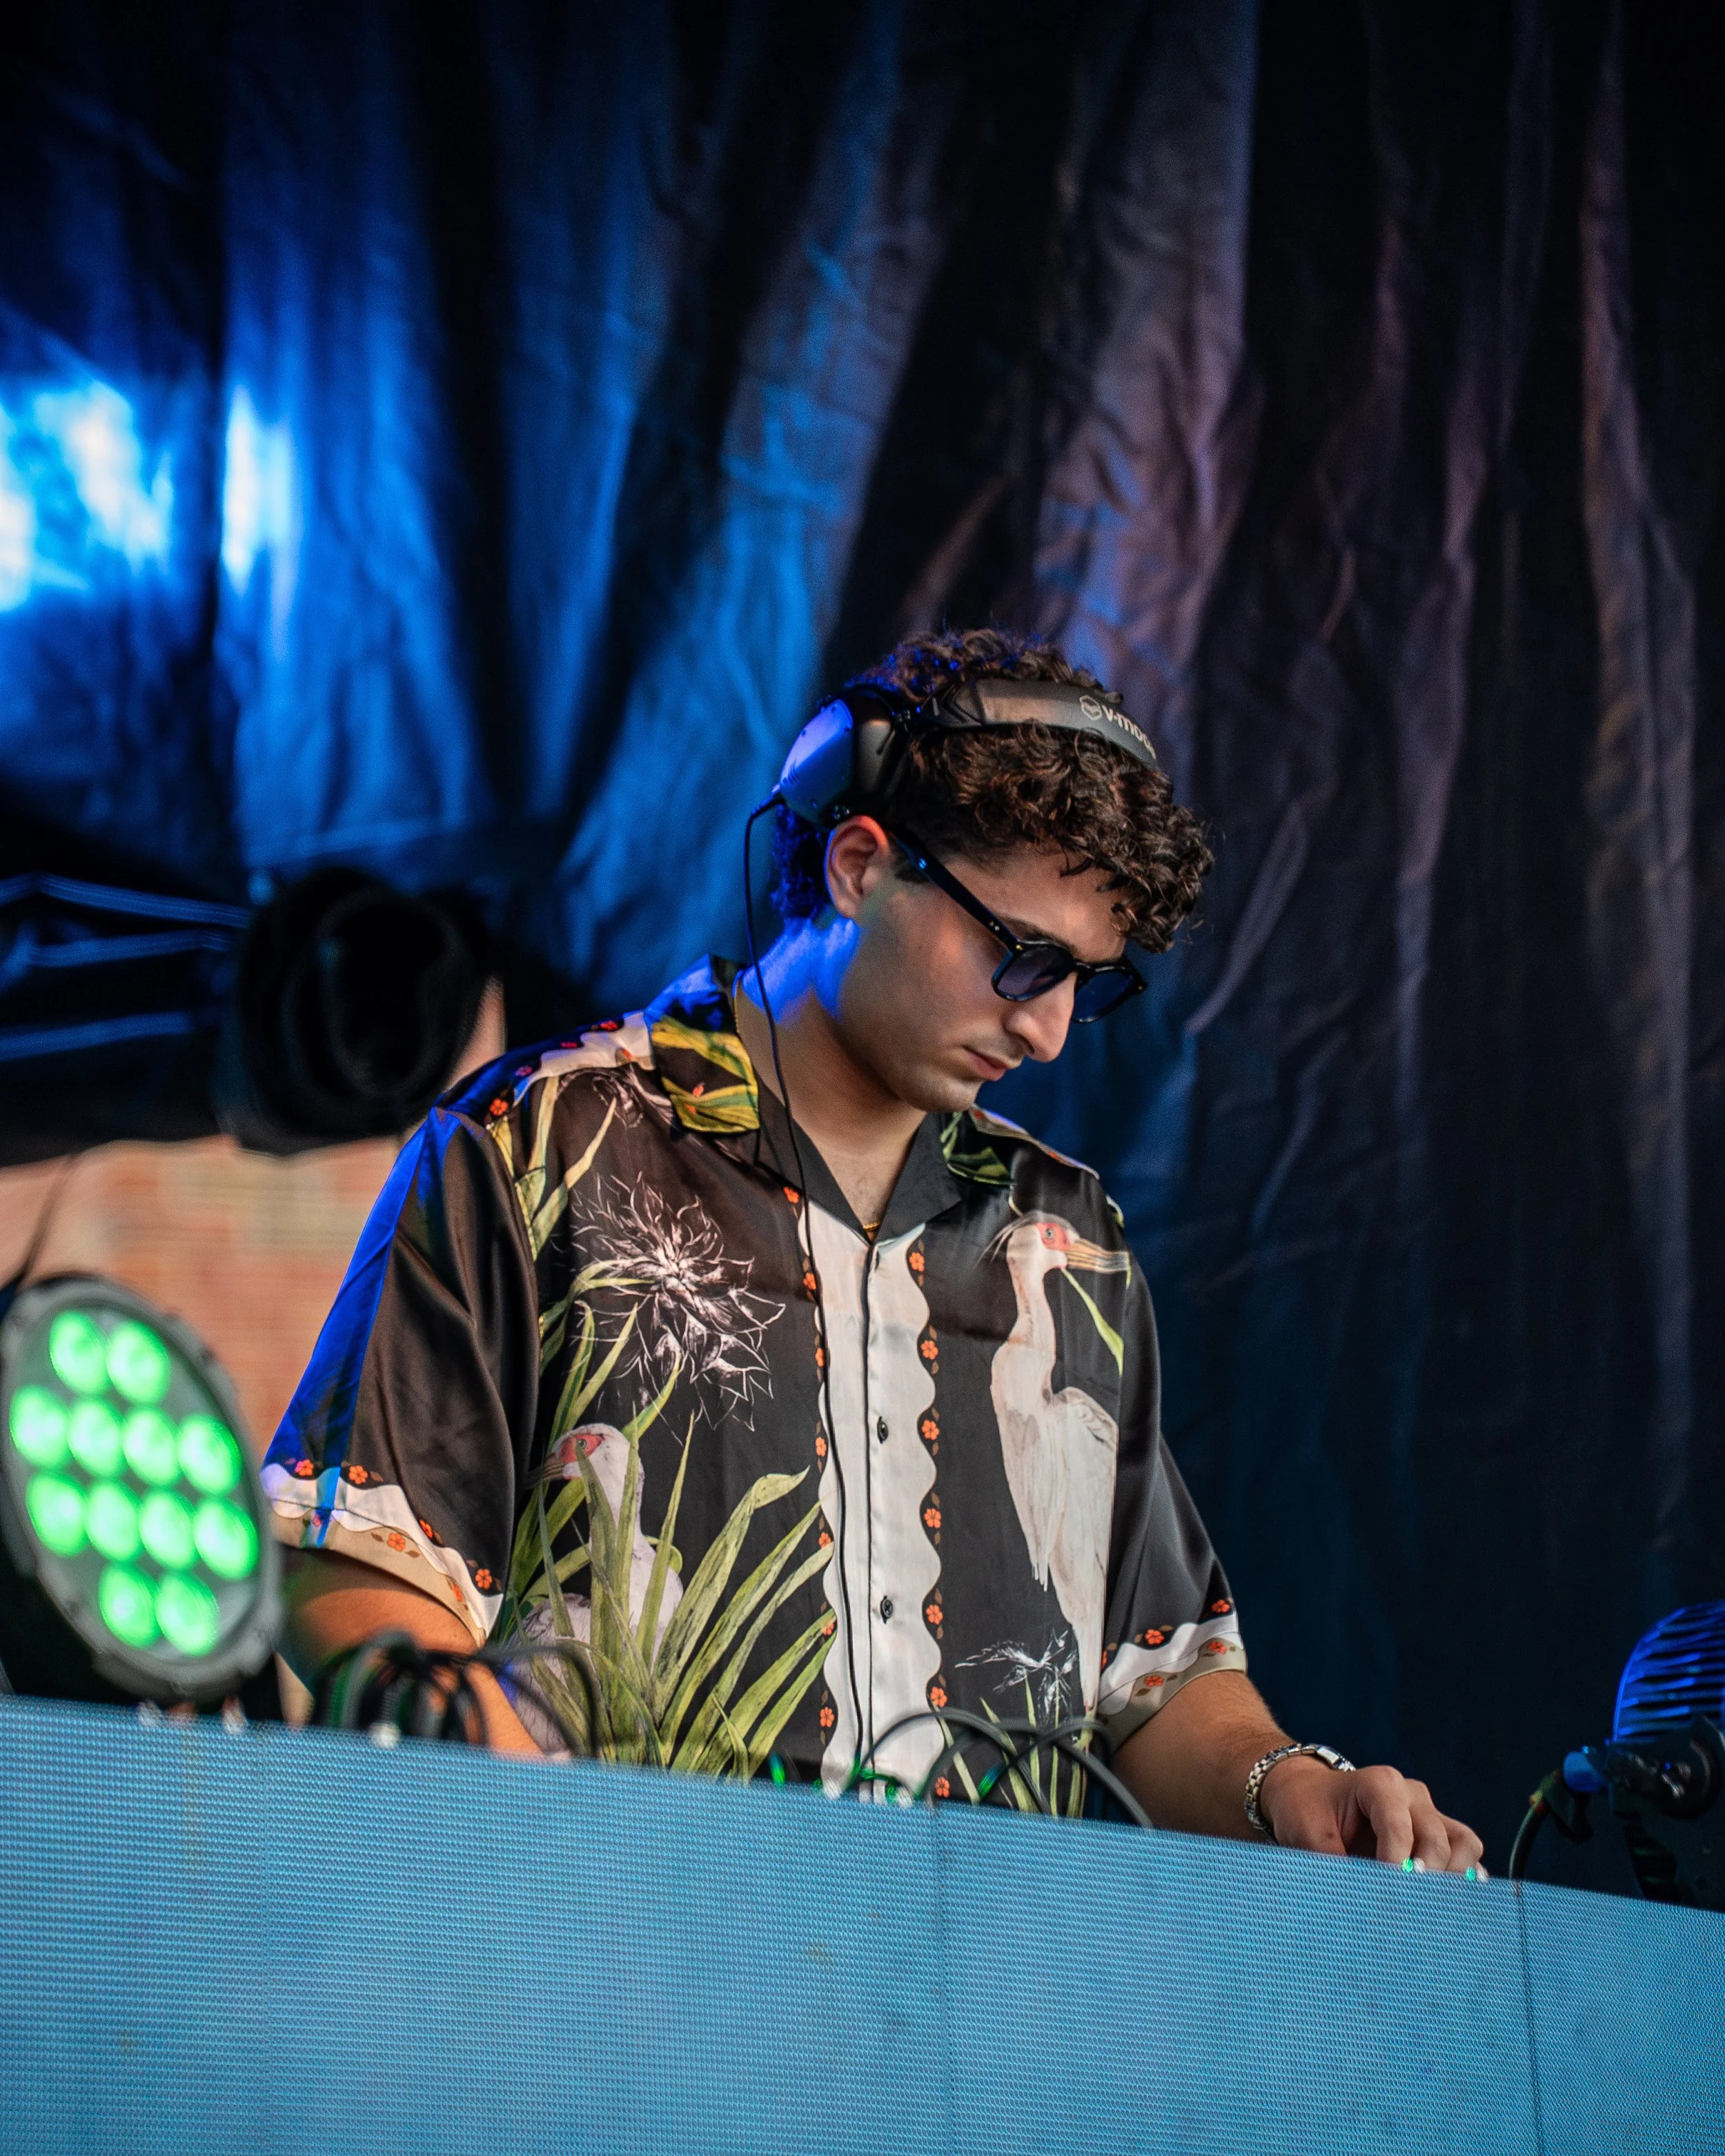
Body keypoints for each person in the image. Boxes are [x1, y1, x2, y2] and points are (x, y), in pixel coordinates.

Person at [270, 625, 1484, 1871]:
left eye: (1089, 982)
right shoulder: (539, 1142)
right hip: (615, 1988)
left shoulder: (1068, 1242)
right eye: (1021, 956)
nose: (1052, 1030)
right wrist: (565, 1852)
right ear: (858, 865)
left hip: (993, 2026)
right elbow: (355, 1566)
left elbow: (1156, 1687)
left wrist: (1283, 1784)